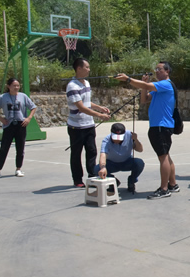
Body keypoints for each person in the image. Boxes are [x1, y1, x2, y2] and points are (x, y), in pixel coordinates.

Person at [114, 62, 180, 199]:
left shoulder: (165, 84)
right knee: (166, 156)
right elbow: (144, 99)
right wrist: (144, 84)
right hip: (158, 125)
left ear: (167, 71)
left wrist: (128, 79)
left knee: (163, 157)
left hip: (161, 126)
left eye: (159, 69)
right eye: (156, 69)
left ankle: (164, 189)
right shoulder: (159, 87)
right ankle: (173, 184)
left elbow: (147, 86)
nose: (156, 71)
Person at [66, 58, 110, 188]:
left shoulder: (86, 83)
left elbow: (86, 102)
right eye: (87, 67)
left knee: (92, 151)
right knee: (76, 154)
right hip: (76, 127)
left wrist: (99, 108)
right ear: (79, 68)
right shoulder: (72, 86)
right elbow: (81, 107)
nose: (89, 70)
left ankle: (92, 176)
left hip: (89, 125)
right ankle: (77, 179)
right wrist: (100, 115)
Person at [0, 78, 37, 180]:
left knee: (20, 148)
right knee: (4, 148)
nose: (16, 87)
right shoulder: (3, 97)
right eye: (14, 85)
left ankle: (18, 169)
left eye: (18, 85)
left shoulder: (23, 96)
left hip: (21, 124)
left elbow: (33, 107)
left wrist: (28, 118)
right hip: (9, 125)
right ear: (8, 86)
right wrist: (1, 118)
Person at [94, 123, 144, 193]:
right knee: (97, 169)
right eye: (115, 138)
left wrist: (136, 139)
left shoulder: (130, 135)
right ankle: (113, 182)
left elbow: (140, 150)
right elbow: (103, 155)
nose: (117, 140)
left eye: (120, 138)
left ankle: (131, 181)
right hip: (111, 163)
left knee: (139, 163)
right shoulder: (106, 140)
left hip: (127, 161)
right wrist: (103, 167)